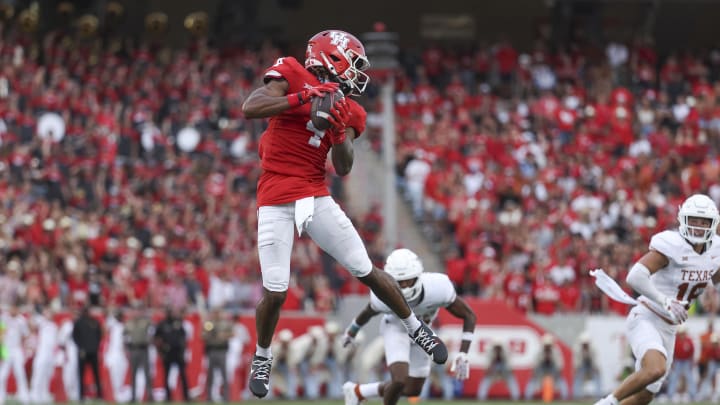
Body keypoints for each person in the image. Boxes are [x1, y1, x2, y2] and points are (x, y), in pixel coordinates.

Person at [241, 29, 447, 398]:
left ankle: (416, 328)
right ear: (331, 58)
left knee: (365, 268)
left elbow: (345, 165)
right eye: (353, 63)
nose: (356, 72)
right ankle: (262, 355)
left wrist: (338, 132)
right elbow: (250, 107)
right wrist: (304, 96)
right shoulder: (290, 71)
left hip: (314, 193)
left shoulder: (351, 109)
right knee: (275, 291)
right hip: (274, 195)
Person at [592, 194, 720, 405]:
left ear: (713, 223)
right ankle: (606, 403)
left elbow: (716, 278)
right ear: (683, 220)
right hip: (647, 315)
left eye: (703, 221)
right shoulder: (672, 244)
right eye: (694, 220)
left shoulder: (716, 249)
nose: (698, 226)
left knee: (646, 395)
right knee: (655, 369)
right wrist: (666, 301)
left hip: (670, 328)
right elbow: (635, 276)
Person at [340, 248, 475, 405]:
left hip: (422, 333)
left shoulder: (438, 287)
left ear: (418, 276)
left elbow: (469, 315)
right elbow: (368, 312)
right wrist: (352, 331)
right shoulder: (382, 296)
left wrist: (464, 353)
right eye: (399, 281)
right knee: (399, 380)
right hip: (396, 328)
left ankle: (358, 392)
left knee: (413, 389)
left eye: (408, 280)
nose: (404, 286)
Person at [154, 308, 190, 402]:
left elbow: (184, 336)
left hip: (178, 352)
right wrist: (160, 351)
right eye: (169, 311)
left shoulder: (178, 323)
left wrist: (183, 350)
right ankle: (168, 397)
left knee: (183, 375)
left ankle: (186, 397)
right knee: (166, 376)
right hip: (167, 352)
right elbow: (156, 338)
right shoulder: (162, 324)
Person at [0, 304, 30, 404]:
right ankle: (1, 397)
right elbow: (1, 335)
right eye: (11, 308)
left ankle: (24, 397)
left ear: (17, 309)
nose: (12, 310)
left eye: (14, 308)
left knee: (20, 373)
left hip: (17, 349)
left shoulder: (21, 321)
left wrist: (22, 346)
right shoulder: (4, 318)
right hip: (6, 349)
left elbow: (25, 335)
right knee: (2, 374)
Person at [524, 334, 569, 400]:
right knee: (533, 379)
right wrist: (543, 360)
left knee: (561, 379)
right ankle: (527, 397)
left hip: (552, 368)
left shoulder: (555, 351)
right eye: (546, 345)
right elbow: (535, 363)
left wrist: (557, 371)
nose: (547, 346)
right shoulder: (539, 351)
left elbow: (559, 364)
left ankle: (565, 397)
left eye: (549, 345)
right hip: (541, 368)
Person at [73, 306, 104, 401]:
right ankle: (81, 396)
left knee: (96, 374)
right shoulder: (78, 323)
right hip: (83, 352)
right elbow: (75, 336)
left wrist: (95, 347)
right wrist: (80, 347)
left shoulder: (94, 322)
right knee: (81, 374)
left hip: (93, 352)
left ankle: (99, 395)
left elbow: (99, 335)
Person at [124, 307, 154, 403]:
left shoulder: (146, 322)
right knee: (133, 374)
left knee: (147, 373)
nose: (137, 312)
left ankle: (150, 395)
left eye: (138, 310)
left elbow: (151, 332)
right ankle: (133, 396)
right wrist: (126, 349)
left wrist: (149, 341)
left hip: (143, 349)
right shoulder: (128, 323)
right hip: (133, 349)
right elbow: (125, 336)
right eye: (135, 310)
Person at [201, 307, 232, 402]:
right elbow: (202, 336)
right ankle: (209, 397)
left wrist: (223, 335)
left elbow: (232, 333)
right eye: (215, 313)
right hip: (211, 350)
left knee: (224, 375)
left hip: (221, 350)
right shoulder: (209, 324)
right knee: (210, 375)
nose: (217, 315)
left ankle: (226, 397)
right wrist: (207, 333)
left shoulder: (225, 323)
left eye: (218, 312)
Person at [30, 307, 58, 404]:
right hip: (41, 352)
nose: (48, 315)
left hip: (50, 354)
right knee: (38, 373)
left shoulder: (54, 326)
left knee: (47, 374)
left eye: (49, 313)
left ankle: (44, 393)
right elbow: (32, 324)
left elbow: (55, 341)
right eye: (46, 313)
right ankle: (34, 393)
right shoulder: (41, 322)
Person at [105, 309, 130, 403]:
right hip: (114, 354)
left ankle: (120, 394)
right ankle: (116, 394)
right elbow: (106, 326)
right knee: (114, 375)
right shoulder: (113, 326)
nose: (118, 317)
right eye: (117, 316)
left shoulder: (124, 326)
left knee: (121, 374)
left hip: (122, 355)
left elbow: (126, 342)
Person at [572, 332, 602, 399]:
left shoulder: (593, 349)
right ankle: (577, 396)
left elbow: (596, 362)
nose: (585, 345)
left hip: (592, 367)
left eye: (586, 343)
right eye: (583, 344)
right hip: (582, 367)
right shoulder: (577, 349)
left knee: (597, 375)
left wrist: (596, 369)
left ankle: (598, 396)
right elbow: (576, 363)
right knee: (577, 376)